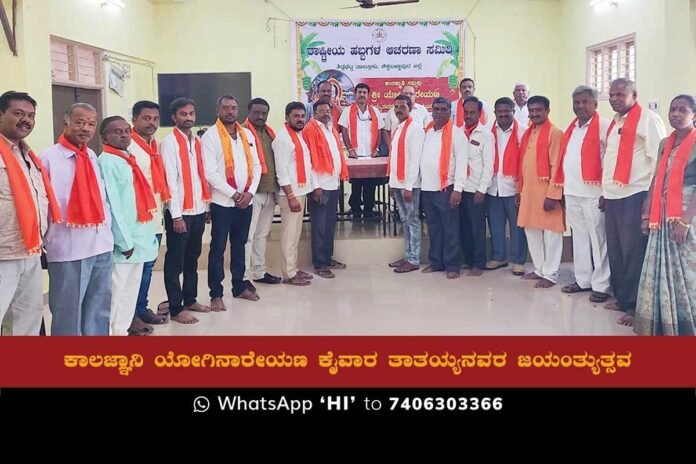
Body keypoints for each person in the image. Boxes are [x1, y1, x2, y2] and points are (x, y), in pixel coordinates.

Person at [41, 103, 113, 335]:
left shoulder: (91, 155)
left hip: (100, 245)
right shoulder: (49, 158)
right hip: (68, 248)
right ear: (66, 123)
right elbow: (43, 205)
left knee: (98, 309)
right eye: (80, 122)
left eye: (91, 124)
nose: (85, 128)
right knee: (67, 313)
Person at [602, 78, 667, 323]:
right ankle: (622, 298)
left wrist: (650, 201)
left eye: (620, 94)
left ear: (634, 95)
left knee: (634, 252)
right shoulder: (615, 122)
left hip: (636, 193)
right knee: (616, 250)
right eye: (611, 94)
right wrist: (604, 191)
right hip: (613, 194)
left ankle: (637, 307)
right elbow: (611, 158)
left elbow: (658, 161)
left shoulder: (648, 119)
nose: (614, 98)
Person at [634, 94, 696, 335]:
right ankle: (661, 321)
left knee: (686, 270)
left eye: (683, 110)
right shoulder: (664, 143)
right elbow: (657, 179)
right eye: (673, 110)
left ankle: (686, 324)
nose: (676, 114)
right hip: (661, 213)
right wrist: (646, 213)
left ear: (694, 116)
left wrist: (685, 222)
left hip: (686, 214)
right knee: (658, 266)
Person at [0, 91, 60, 335]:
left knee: (28, 320)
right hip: (3, 255)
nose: (26, 120)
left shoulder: (28, 155)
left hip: (30, 251)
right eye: (18, 113)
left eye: (31, 115)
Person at [98, 116, 159, 336]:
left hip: (139, 236)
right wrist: (123, 241)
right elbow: (113, 204)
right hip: (124, 243)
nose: (124, 135)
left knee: (130, 293)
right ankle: (110, 335)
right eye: (117, 131)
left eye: (126, 131)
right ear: (104, 137)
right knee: (116, 292)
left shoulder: (128, 159)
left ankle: (121, 332)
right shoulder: (107, 161)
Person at [203, 95, 262, 310]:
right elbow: (209, 172)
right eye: (226, 108)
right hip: (222, 202)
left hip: (245, 201)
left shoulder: (246, 134)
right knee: (218, 248)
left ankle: (239, 286)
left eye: (234, 108)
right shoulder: (210, 137)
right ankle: (216, 294)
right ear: (218, 110)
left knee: (240, 245)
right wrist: (234, 194)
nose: (230, 111)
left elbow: (255, 166)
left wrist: (249, 193)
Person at [556, 86, 611, 303]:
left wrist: (605, 192)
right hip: (572, 191)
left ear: (595, 104)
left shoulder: (603, 126)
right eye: (576, 102)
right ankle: (582, 280)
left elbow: (611, 160)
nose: (579, 106)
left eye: (584, 102)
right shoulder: (572, 129)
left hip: (593, 193)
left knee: (598, 240)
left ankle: (602, 285)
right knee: (579, 238)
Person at [161, 97, 211, 324]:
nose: (188, 117)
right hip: (180, 213)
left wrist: (206, 205)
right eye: (183, 114)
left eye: (191, 113)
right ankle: (175, 307)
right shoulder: (169, 143)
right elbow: (170, 181)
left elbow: (201, 177)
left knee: (192, 258)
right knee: (175, 261)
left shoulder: (197, 141)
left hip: (198, 209)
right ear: (174, 117)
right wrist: (176, 215)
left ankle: (190, 299)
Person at [128, 100, 170, 335]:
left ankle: (142, 309)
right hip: (137, 220)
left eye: (155, 118)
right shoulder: (129, 147)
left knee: (148, 268)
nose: (152, 123)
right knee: (135, 270)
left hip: (155, 217)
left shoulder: (156, 145)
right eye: (146, 118)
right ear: (134, 120)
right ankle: (131, 316)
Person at [516, 96, 565, 288]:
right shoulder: (528, 133)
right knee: (531, 230)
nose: (535, 113)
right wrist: (519, 190)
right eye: (532, 110)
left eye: (539, 110)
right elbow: (523, 165)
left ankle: (551, 274)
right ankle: (539, 269)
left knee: (552, 233)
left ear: (548, 111)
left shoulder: (555, 133)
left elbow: (557, 166)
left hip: (547, 193)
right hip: (529, 191)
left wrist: (553, 194)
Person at [420, 97, 467, 279]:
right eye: (436, 109)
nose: (438, 112)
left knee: (450, 228)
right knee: (434, 228)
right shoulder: (428, 132)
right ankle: (436, 262)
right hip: (427, 189)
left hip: (447, 189)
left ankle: (453, 265)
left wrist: (458, 189)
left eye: (443, 109)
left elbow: (462, 163)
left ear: (450, 112)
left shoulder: (456, 134)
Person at [303, 98, 349, 278]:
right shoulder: (310, 129)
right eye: (321, 111)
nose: (326, 113)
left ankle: (328, 258)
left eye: (328, 111)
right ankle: (320, 264)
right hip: (320, 187)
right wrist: (315, 187)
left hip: (333, 184)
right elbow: (310, 161)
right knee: (320, 226)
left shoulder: (331, 129)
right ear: (314, 113)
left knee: (330, 225)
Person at [273, 102, 316, 286]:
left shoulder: (297, 136)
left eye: (302, 116)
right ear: (287, 117)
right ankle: (288, 273)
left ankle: (293, 268)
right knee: (289, 234)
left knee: (295, 233)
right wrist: (290, 196)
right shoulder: (283, 139)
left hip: (300, 192)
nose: (300, 119)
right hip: (290, 195)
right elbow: (281, 172)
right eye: (295, 116)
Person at [242, 98, 282, 285]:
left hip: (269, 190)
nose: (260, 116)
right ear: (249, 112)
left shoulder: (269, 133)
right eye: (256, 112)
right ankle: (244, 276)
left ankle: (259, 272)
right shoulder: (241, 132)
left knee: (262, 234)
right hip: (252, 192)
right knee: (248, 236)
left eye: (264, 113)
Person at [486, 97, 528, 275]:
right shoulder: (488, 132)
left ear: (513, 112)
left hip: (513, 188)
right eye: (499, 111)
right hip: (493, 186)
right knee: (496, 224)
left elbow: (526, 163)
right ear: (495, 113)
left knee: (517, 226)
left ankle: (518, 261)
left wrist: (522, 188)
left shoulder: (523, 132)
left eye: (507, 111)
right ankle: (499, 256)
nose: (503, 114)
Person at [387, 95, 425, 273]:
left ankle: (414, 258)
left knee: (413, 220)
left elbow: (415, 160)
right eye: (396, 107)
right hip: (398, 183)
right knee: (404, 220)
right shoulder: (397, 128)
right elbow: (394, 159)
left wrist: (409, 186)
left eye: (402, 106)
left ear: (410, 108)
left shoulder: (415, 129)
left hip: (410, 185)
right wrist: (392, 183)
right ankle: (408, 255)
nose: (398, 110)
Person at [460, 96, 495, 276]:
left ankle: (479, 263)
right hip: (460, 189)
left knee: (477, 228)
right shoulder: (458, 133)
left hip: (476, 191)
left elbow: (489, 166)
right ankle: (468, 259)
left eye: (472, 112)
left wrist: (482, 190)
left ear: (479, 113)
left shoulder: (486, 135)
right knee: (464, 227)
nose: (468, 116)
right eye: (466, 112)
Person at [339, 83, 384, 220]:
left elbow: (380, 131)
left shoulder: (374, 111)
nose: (362, 95)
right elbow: (344, 131)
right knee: (357, 184)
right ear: (355, 94)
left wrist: (377, 149)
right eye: (359, 92)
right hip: (355, 155)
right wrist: (350, 149)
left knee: (370, 183)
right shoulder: (347, 111)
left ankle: (369, 210)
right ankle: (356, 209)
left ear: (368, 95)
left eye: (364, 92)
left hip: (371, 155)